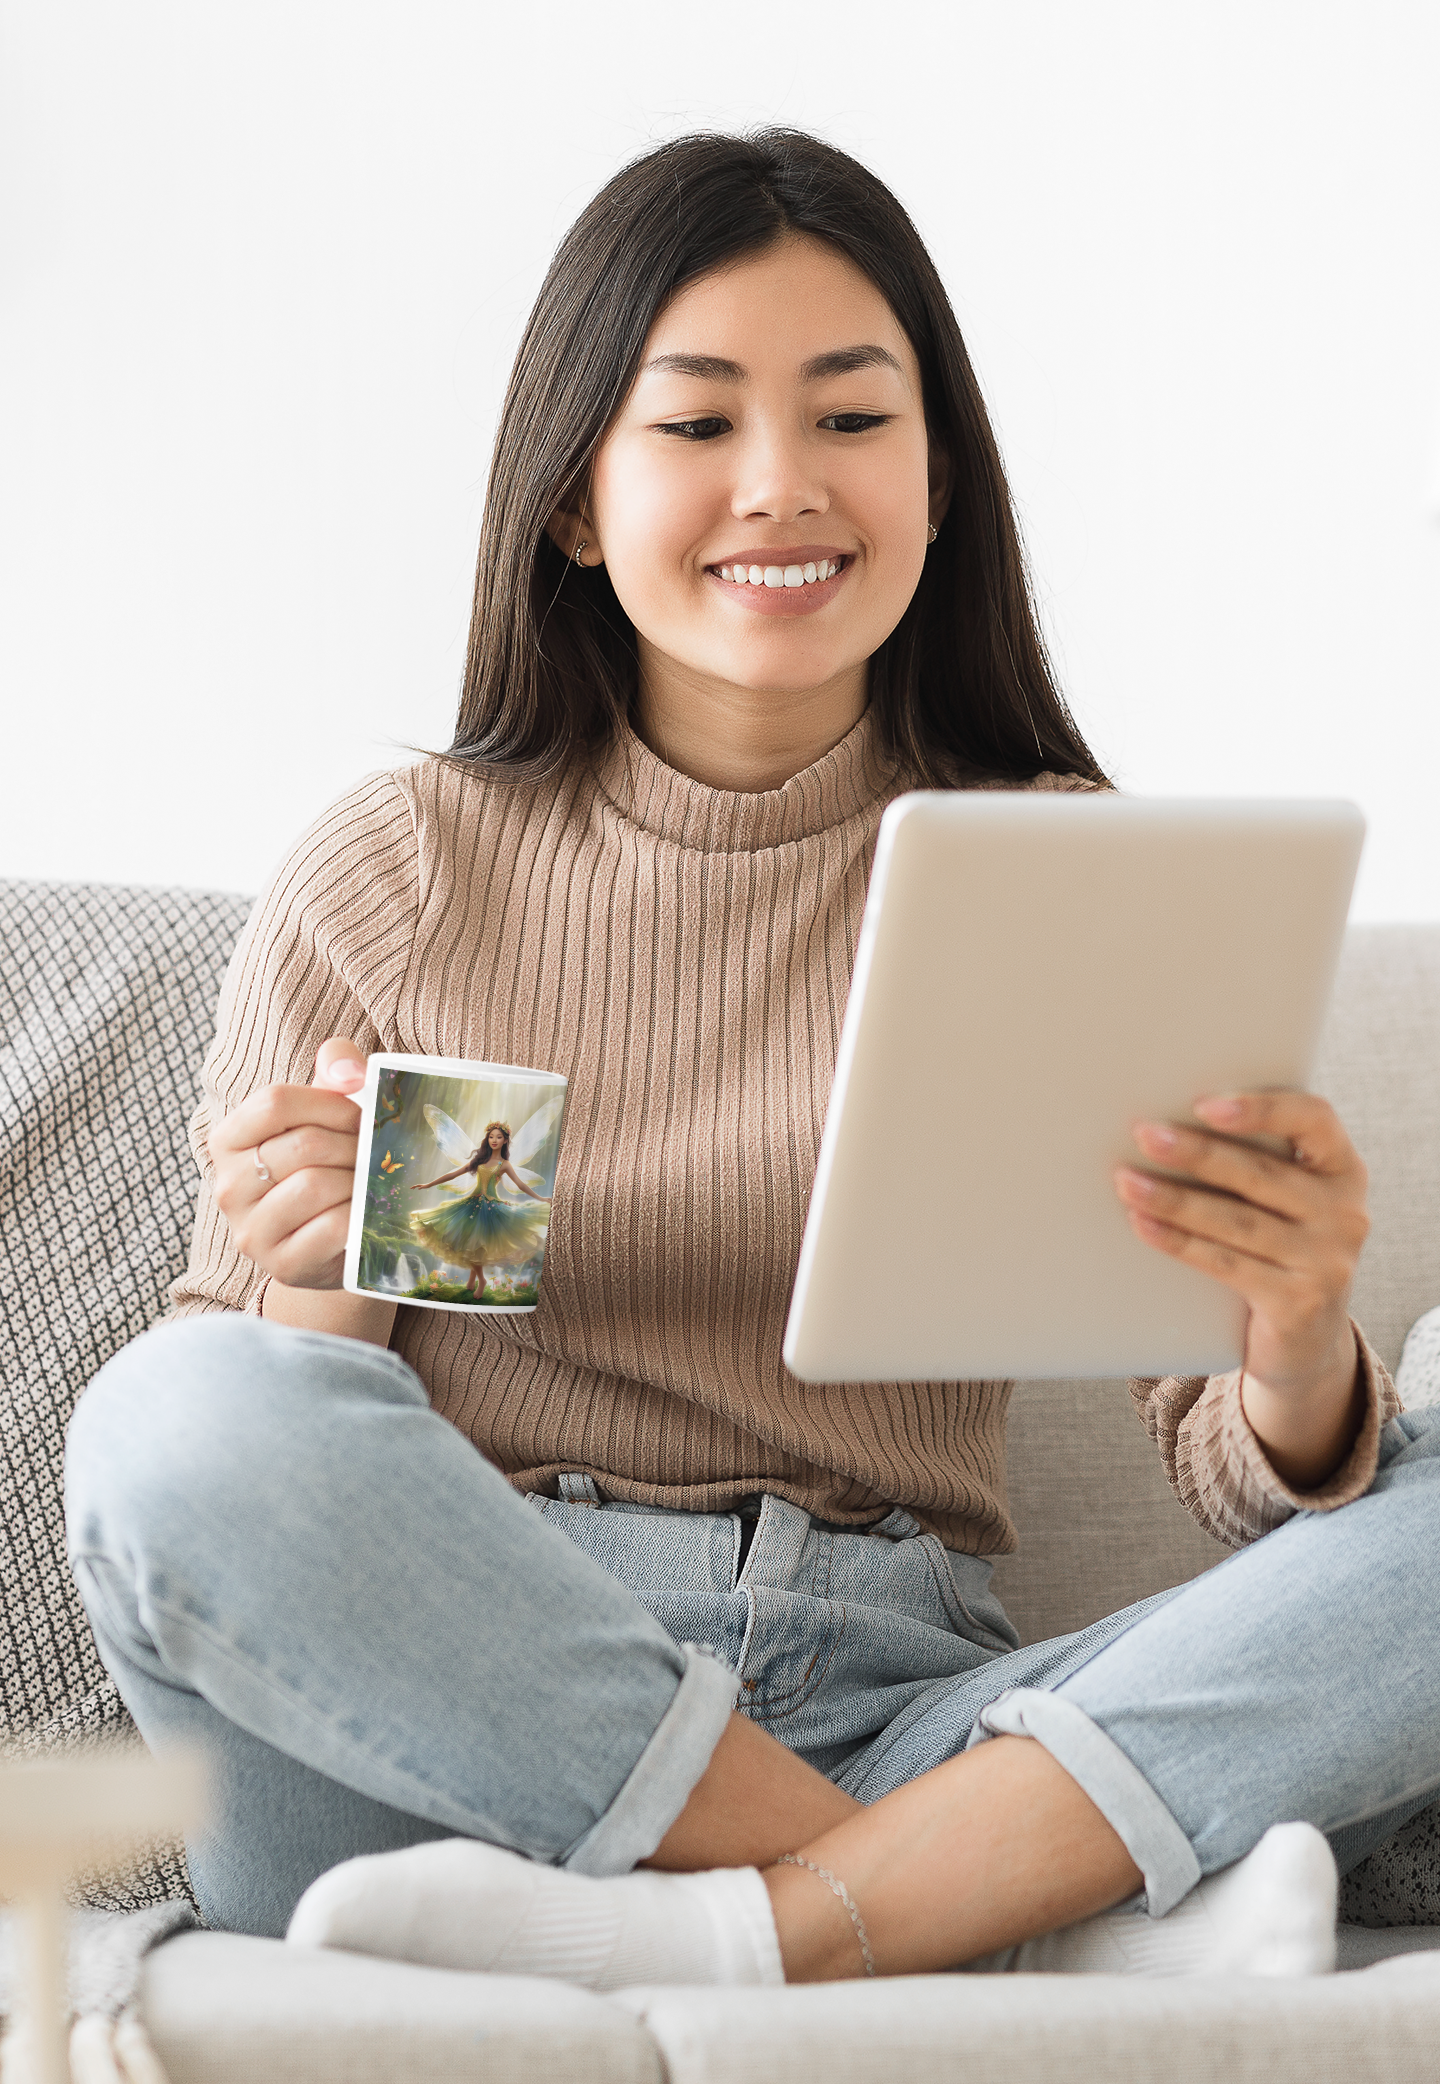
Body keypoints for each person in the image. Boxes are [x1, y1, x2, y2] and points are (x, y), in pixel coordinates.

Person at [64, 128, 1439, 1985]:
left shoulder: (1056, 865)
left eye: (852, 419)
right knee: (171, 1409)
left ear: (939, 474)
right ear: (573, 496)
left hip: (897, 1693)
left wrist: (1291, 1343)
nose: (779, 485)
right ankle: (978, 1908)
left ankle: (791, 1914)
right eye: (697, 424)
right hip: (446, 1738)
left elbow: (1232, 1462)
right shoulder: (399, 869)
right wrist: (313, 1285)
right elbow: (256, 1479)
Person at [408, 1121, 551, 1298]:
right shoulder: (480, 1160)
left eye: (499, 1137)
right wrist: (429, 1184)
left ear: (505, 1140)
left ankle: (479, 1280)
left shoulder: (504, 1164)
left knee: (479, 1245)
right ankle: (475, 1280)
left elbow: (520, 1185)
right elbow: (453, 1174)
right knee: (470, 1242)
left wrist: (541, 1198)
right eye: (491, 1137)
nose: (494, 1140)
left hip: (492, 1208)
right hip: (471, 1205)